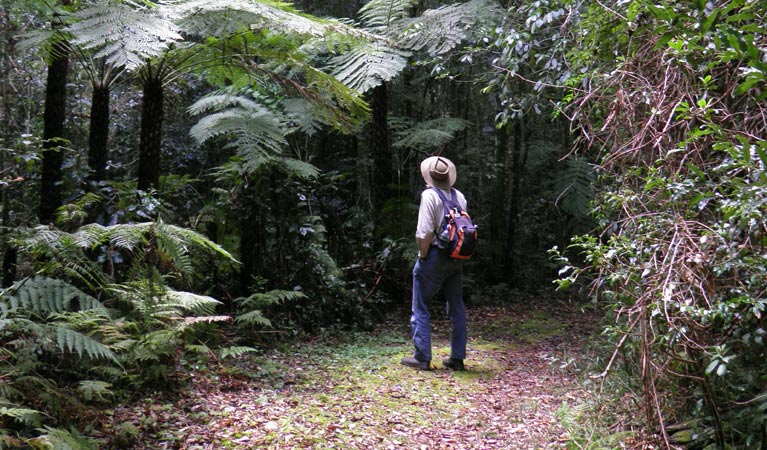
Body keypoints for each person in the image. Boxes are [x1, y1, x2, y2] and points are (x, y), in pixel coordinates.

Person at [401, 156, 467, 371]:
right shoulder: (460, 197)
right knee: (456, 306)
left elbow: (424, 232)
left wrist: (422, 255)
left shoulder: (429, 196)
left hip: (435, 256)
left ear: (429, 176)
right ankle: (457, 358)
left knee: (420, 305)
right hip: (455, 257)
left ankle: (422, 356)